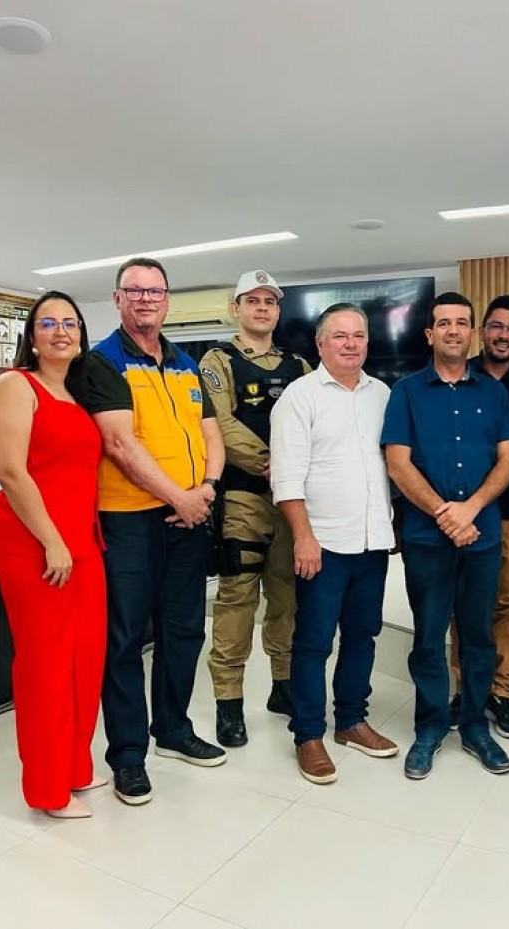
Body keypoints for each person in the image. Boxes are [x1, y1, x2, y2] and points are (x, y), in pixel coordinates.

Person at [82, 258, 227, 806]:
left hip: (189, 517)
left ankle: (172, 729)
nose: (147, 299)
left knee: (183, 631)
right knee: (124, 640)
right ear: (118, 299)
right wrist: (180, 498)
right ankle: (127, 756)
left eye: (156, 291)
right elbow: (120, 445)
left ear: (168, 300)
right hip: (130, 522)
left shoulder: (186, 363)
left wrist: (207, 488)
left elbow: (211, 434)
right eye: (136, 291)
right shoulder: (102, 362)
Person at [384, 292, 509, 779]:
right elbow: (398, 465)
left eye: (462, 323)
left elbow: (508, 461)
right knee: (427, 637)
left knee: (478, 637)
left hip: (481, 537)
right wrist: (446, 514)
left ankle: (476, 727)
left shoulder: (493, 393)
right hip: (427, 539)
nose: (454, 331)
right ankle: (430, 727)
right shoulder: (406, 392)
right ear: (430, 334)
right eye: (444, 323)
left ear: (472, 332)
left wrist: (471, 508)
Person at [0, 292, 106, 817]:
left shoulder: (75, 394)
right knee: (46, 667)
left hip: (81, 544)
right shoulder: (16, 385)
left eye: (70, 323)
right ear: (31, 337)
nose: (61, 332)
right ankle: (48, 788)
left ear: (80, 336)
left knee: (83, 661)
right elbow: (10, 471)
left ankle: (74, 767)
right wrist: (52, 540)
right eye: (48, 323)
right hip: (32, 544)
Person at [271, 304, 400, 785]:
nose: (350, 344)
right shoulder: (299, 398)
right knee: (313, 642)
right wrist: (303, 537)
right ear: (320, 343)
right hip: (322, 544)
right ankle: (308, 734)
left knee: (363, 635)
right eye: (340, 336)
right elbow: (286, 477)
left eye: (358, 336)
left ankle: (350, 721)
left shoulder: (382, 394)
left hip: (371, 541)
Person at [199, 271, 310, 747]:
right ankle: (228, 703)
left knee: (287, 597)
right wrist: (272, 463)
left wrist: (291, 474)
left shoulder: (299, 365)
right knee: (237, 600)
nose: (262, 308)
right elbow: (218, 422)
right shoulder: (218, 361)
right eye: (253, 300)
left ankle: (283, 689)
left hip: (291, 502)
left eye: (270, 301)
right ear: (236, 308)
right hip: (244, 497)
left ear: (278, 311)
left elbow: (312, 421)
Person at [448, 294, 509, 739]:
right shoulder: (458, 374)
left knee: (508, 604)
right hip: (465, 514)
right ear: (482, 331)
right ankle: (464, 690)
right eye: (496, 327)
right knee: (464, 605)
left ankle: (501, 693)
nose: (504, 335)